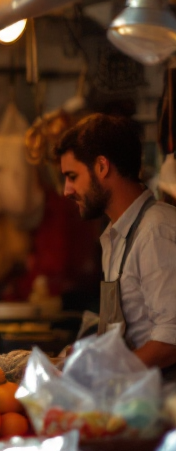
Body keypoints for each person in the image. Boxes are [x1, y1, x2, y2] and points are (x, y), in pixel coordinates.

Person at [57, 113, 176, 374]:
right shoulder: (117, 235)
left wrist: (104, 375)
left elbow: (170, 341)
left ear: (101, 166)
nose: (66, 190)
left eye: (72, 176)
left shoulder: (156, 231)